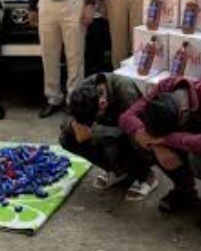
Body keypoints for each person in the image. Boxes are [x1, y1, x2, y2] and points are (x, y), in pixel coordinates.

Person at [119, 76, 201, 232]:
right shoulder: (164, 88)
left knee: (199, 159)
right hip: (185, 142)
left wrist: (166, 139)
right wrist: (156, 145)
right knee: (140, 139)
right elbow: (126, 117)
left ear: (183, 112)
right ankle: (185, 190)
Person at [60, 72, 159, 201]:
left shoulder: (126, 91)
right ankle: (116, 170)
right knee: (66, 138)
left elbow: (138, 131)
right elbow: (68, 114)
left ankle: (145, 175)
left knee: (129, 141)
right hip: (108, 131)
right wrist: (73, 124)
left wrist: (93, 131)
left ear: (102, 103)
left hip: (134, 134)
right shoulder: (84, 89)